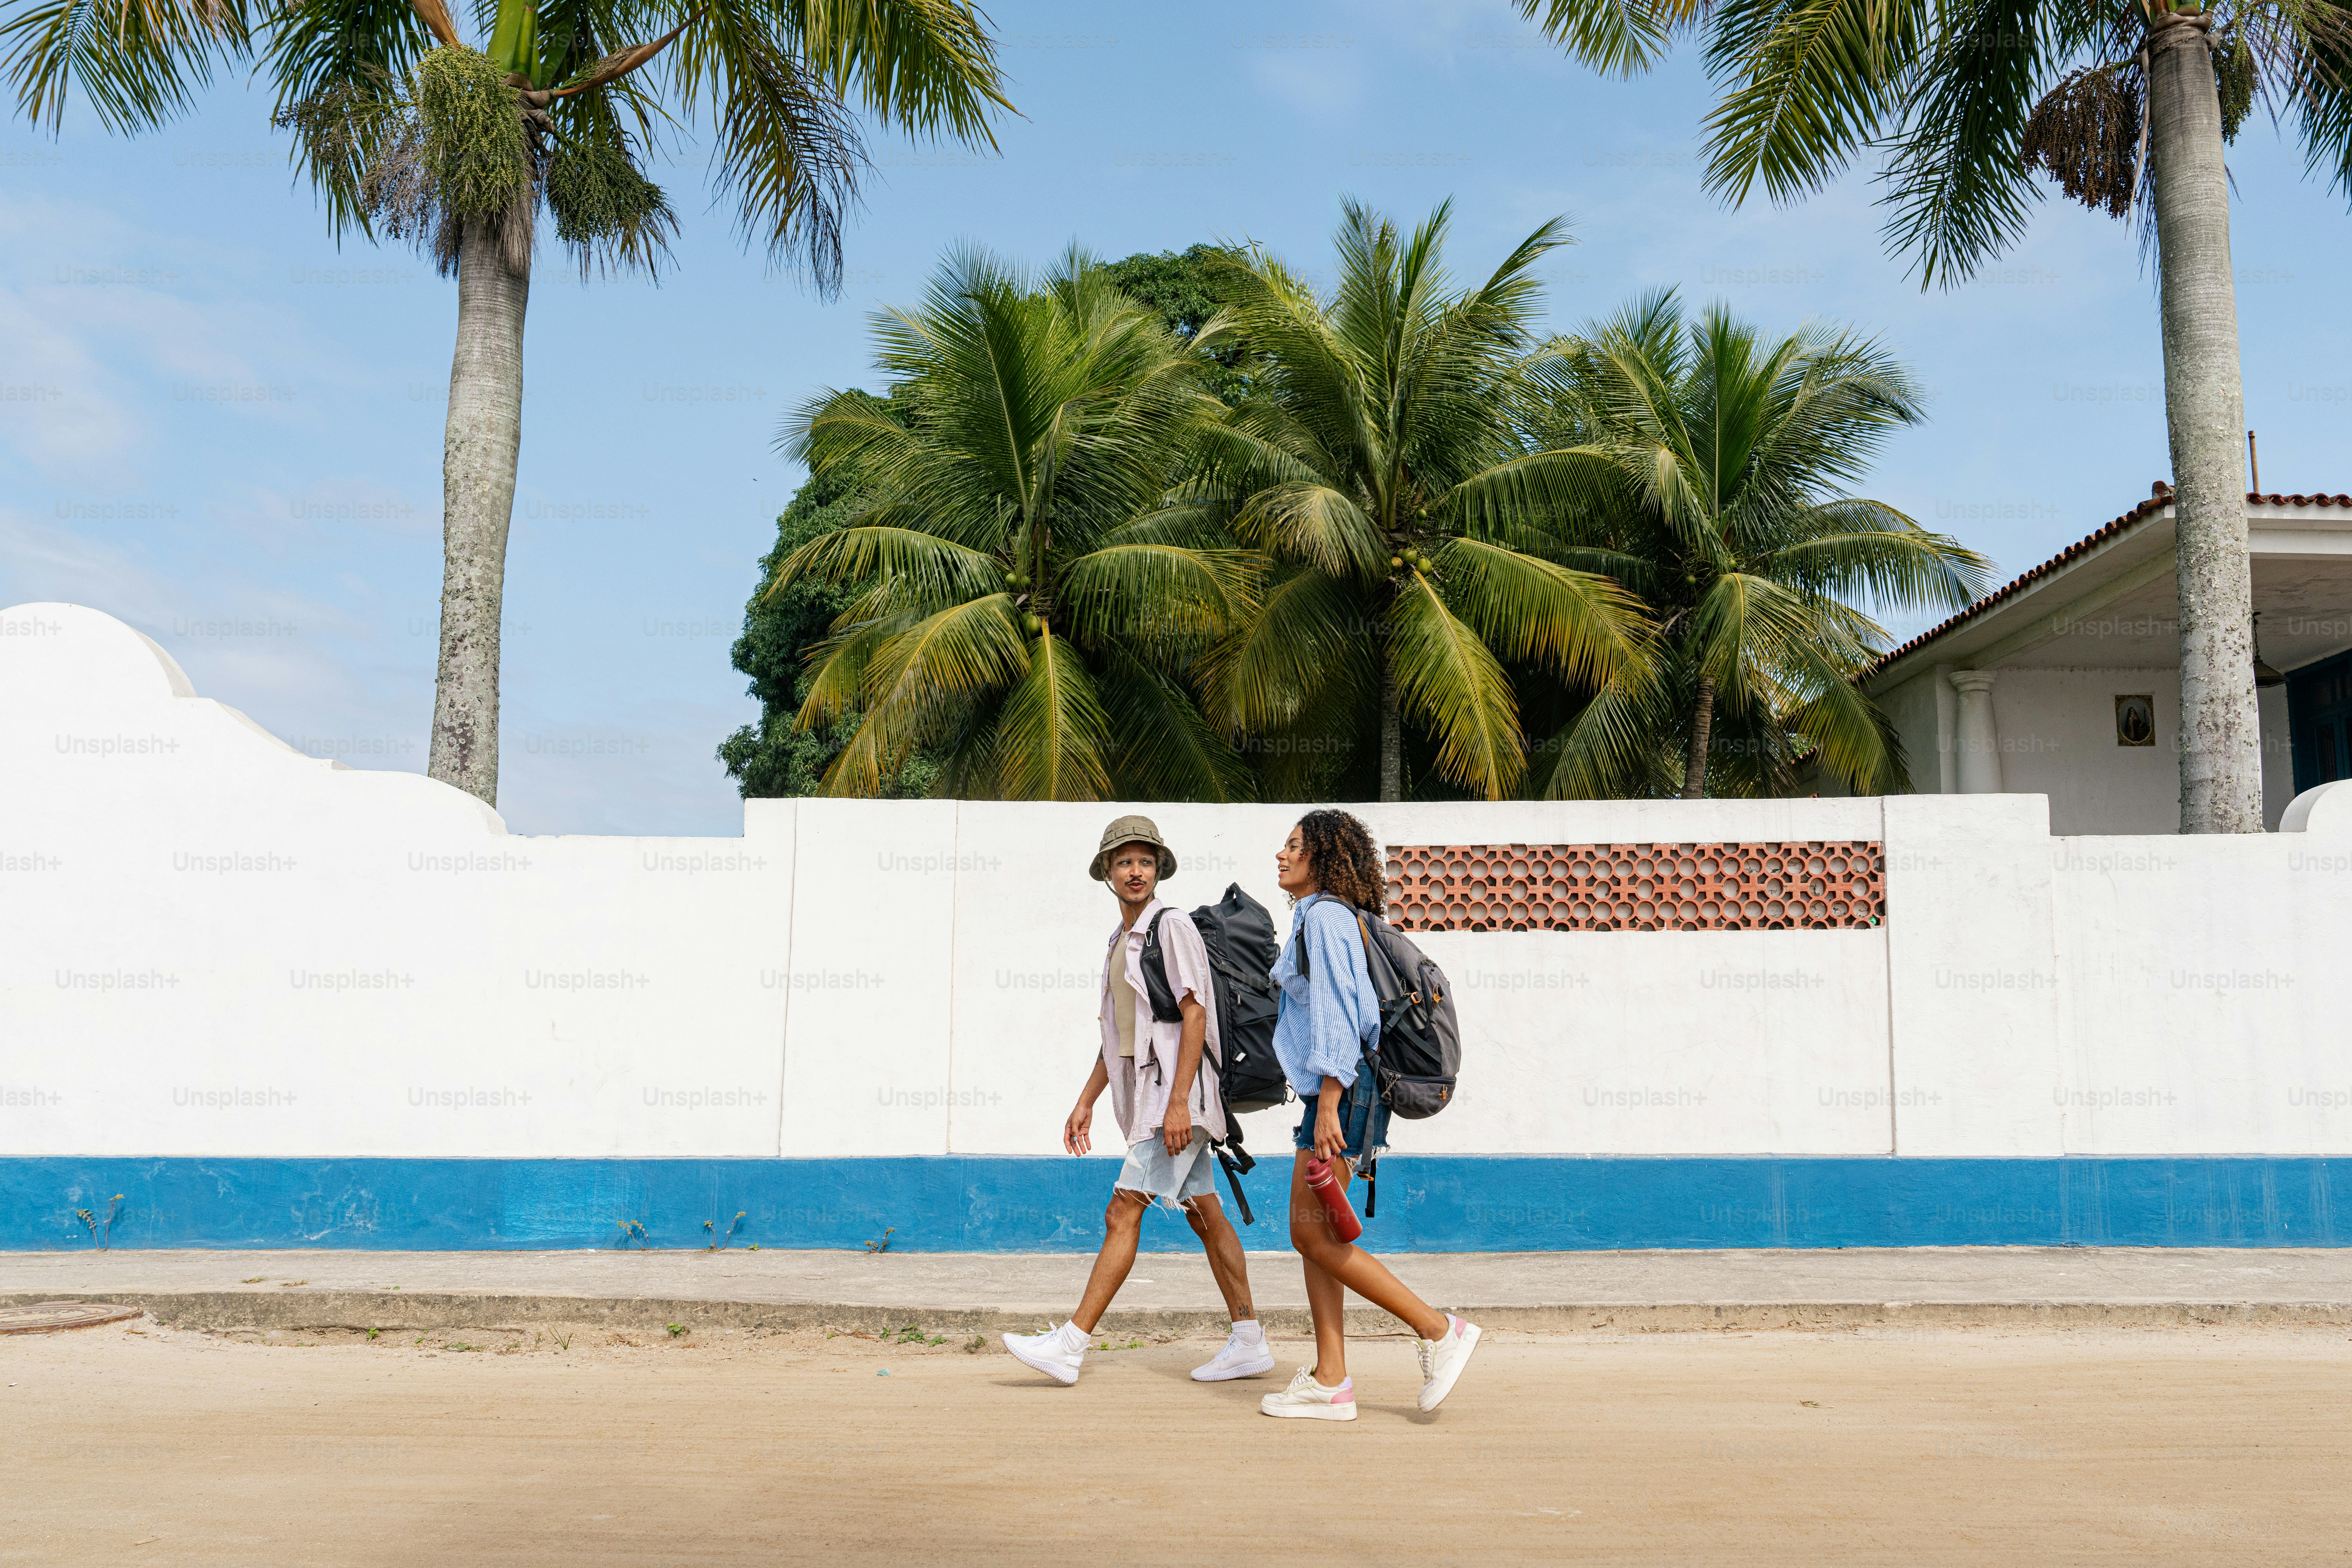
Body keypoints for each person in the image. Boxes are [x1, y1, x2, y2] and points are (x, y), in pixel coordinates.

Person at [1001, 815, 1272, 1387]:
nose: (1135, 871)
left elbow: (1195, 1013)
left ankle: (1070, 1345)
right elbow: (1119, 1039)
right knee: (1205, 1214)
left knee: (1122, 1209)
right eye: (1124, 861)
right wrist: (1086, 1102)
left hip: (1175, 1101)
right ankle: (1248, 1342)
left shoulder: (1170, 927)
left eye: (1145, 861)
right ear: (1106, 871)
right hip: (1159, 1098)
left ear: (1157, 870)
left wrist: (1178, 1106)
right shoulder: (1120, 943)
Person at [1257, 808, 1480, 1422]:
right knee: (1319, 1238)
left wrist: (1328, 1100)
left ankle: (1438, 1330)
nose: (1281, 855)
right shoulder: (1324, 918)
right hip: (1341, 1090)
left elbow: (1340, 1013)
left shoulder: (1326, 918)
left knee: (1308, 1233)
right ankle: (1330, 1380)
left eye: (1294, 847)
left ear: (1323, 859)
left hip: (1344, 1091)